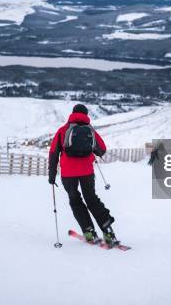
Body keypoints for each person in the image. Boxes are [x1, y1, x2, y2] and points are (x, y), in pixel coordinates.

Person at [48, 103, 117, 245]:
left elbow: (54, 153)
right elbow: (102, 149)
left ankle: (89, 231)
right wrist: (92, 150)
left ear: (72, 114)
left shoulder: (63, 130)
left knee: (75, 200)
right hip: (87, 172)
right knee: (91, 199)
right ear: (86, 115)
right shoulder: (90, 130)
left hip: (68, 174)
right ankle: (108, 231)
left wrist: (52, 175)